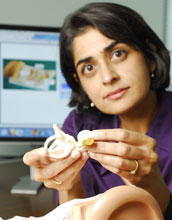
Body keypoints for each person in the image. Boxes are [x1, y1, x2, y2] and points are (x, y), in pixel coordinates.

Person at [23, 2, 172, 219]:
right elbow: (73, 211)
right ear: (79, 81)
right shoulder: (77, 126)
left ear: (150, 55)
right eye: (89, 68)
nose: (107, 77)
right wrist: (68, 183)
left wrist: (153, 188)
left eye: (118, 54)